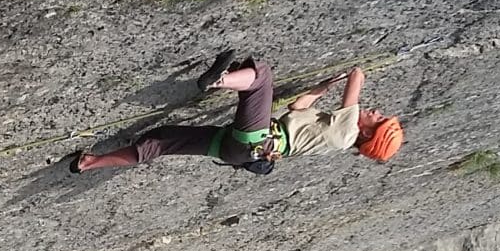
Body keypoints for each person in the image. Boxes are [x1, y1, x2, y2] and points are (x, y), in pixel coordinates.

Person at [73, 56, 404, 173]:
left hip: (258, 140)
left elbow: (357, 75)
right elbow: (297, 108)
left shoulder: (348, 132)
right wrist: (323, 87)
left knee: (262, 77)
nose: (376, 112)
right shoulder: (337, 134)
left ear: (367, 134)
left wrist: (355, 73)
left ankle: (218, 80)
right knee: (161, 141)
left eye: (379, 119)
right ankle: (89, 163)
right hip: (242, 151)